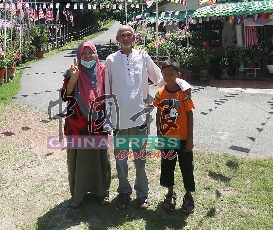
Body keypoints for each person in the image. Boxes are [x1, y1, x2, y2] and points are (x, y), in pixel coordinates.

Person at [104, 25, 191, 210]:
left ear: (134, 38)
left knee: (140, 160)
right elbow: (106, 90)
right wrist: (108, 118)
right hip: (119, 120)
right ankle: (124, 193)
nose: (126, 38)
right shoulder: (111, 60)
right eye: (123, 35)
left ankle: (142, 195)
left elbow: (161, 79)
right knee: (120, 160)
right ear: (117, 38)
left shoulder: (143, 57)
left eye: (130, 35)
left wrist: (182, 84)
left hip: (141, 119)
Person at [61, 41, 111, 208]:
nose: (88, 57)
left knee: (100, 158)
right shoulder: (72, 71)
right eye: (84, 54)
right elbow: (65, 96)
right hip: (78, 123)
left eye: (91, 53)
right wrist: (73, 79)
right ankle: (78, 194)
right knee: (79, 160)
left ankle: (102, 192)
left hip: (98, 123)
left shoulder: (103, 70)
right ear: (79, 55)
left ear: (96, 54)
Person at [153, 59, 195, 215]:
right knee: (167, 167)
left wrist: (190, 139)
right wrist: (159, 133)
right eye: (165, 74)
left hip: (183, 139)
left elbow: (190, 114)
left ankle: (188, 195)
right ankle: (170, 193)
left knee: (187, 168)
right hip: (167, 139)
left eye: (172, 74)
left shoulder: (184, 93)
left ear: (178, 75)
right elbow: (158, 114)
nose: (168, 77)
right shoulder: (159, 93)